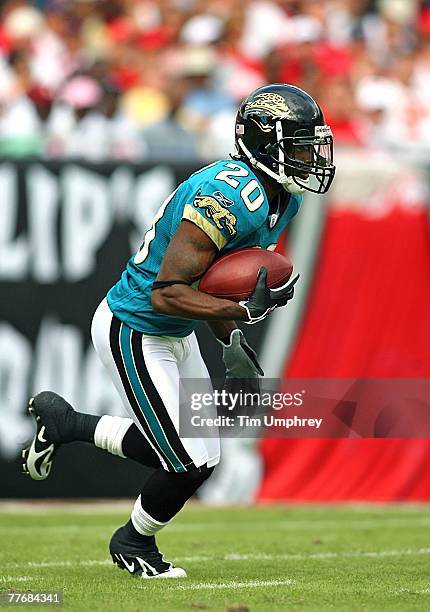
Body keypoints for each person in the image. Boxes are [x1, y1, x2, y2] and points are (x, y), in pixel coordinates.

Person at [22, 83, 335, 579]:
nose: (307, 157)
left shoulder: (281, 200)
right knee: (188, 458)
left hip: (176, 328)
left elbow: (215, 284)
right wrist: (246, 314)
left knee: (201, 455)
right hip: (137, 326)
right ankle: (133, 543)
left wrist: (233, 340)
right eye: (296, 146)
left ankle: (70, 426)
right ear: (263, 143)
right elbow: (166, 291)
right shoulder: (226, 195)